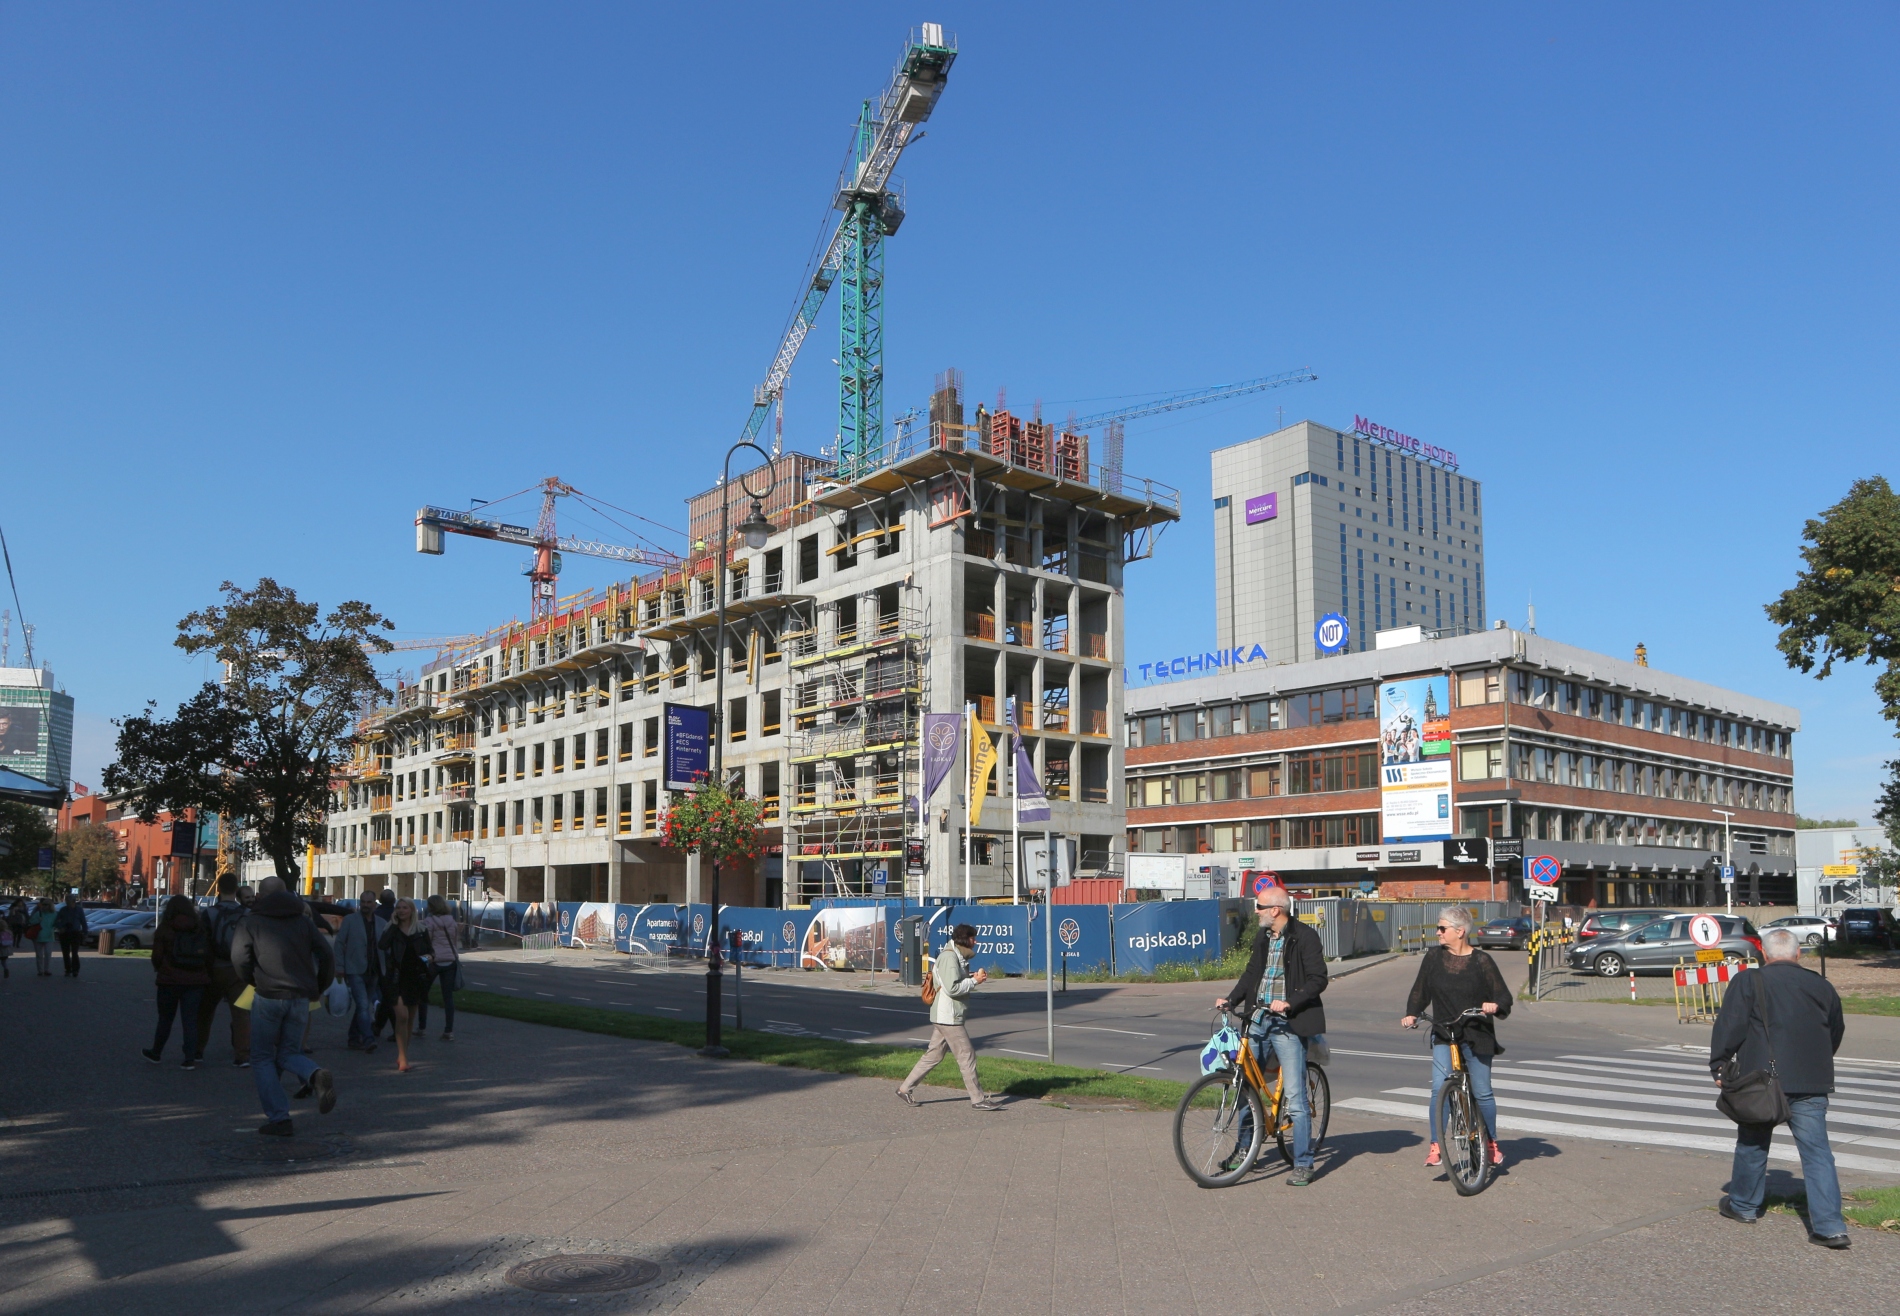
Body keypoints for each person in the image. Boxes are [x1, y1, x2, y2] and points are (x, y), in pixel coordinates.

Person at [1712, 925, 1850, 1248]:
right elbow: (1836, 1030)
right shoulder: (1822, 985)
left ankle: (1744, 1206)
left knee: (1752, 1143)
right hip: (1811, 1081)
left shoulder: (1749, 980)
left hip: (1760, 1081)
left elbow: (1730, 1025)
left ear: (1763, 953)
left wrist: (1719, 1064)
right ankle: (1830, 1228)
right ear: (1798, 953)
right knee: (1817, 1153)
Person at [1217, 886, 1330, 1185]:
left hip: (1287, 1024)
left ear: (1275, 910)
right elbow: (1252, 973)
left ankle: (1303, 1162)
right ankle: (1245, 1151)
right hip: (1257, 1020)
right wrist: (1231, 999)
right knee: (1246, 1087)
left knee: (1295, 1097)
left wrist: (1290, 1001)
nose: (1255, 911)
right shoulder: (1263, 937)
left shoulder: (1305, 937)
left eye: (1259, 907)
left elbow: (1319, 979)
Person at [1401, 905, 1512, 1170]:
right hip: (1444, 1032)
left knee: (1482, 1092)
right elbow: (1420, 990)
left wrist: (1494, 1005)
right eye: (1438, 928)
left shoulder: (1482, 961)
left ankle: (1491, 1143)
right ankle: (1436, 1145)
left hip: (1477, 1034)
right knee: (1438, 1088)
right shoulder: (1433, 957)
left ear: (1460, 931)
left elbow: (1503, 996)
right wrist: (1412, 1013)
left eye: (1442, 928)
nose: (1438, 933)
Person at [230, 876, 337, 1136]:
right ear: (287, 893)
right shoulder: (303, 920)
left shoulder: (251, 921)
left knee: (262, 1057)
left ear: (259, 895)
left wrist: (253, 979)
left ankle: (279, 1118)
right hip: (300, 995)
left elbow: (239, 957)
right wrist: (318, 986)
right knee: (289, 1053)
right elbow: (326, 954)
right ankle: (314, 1073)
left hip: (268, 994)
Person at [897, 923, 1001, 1111]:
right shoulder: (949, 957)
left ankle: (904, 1089)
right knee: (967, 1055)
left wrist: (971, 977)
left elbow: (952, 981)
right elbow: (952, 988)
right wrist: (974, 981)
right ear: (964, 940)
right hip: (948, 1016)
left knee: (934, 1055)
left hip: (946, 1015)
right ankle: (978, 1099)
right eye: (972, 938)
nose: (975, 941)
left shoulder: (955, 956)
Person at [144, 895, 210, 1068]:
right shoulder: (198, 927)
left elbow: (157, 956)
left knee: (165, 1019)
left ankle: (156, 1052)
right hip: (195, 979)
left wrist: (159, 968)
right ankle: (190, 1058)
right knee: (190, 1020)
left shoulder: (166, 928)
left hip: (169, 979)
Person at [194, 875, 253, 1067]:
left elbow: (202, 941)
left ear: (218, 888)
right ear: (236, 889)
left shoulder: (209, 913)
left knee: (205, 1012)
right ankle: (242, 1054)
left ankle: (197, 1050)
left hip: (214, 968)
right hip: (239, 969)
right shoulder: (247, 913)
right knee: (241, 1014)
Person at [378, 898, 434, 1073]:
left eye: (405, 908)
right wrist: (393, 925)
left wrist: (429, 957)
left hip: (415, 978)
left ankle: (403, 1054)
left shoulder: (421, 930)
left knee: (409, 1019)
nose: (401, 911)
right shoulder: (391, 929)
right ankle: (402, 1057)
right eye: (398, 908)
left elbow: (430, 951)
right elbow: (382, 945)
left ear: (411, 910)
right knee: (401, 1016)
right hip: (395, 978)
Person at [332, 892, 386, 1052]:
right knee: (363, 1005)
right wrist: (339, 966)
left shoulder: (382, 923)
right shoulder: (350, 920)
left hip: (374, 970)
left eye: (369, 902)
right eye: (363, 902)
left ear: (375, 904)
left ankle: (353, 1038)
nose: (366, 905)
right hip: (354, 969)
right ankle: (368, 1039)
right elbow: (339, 943)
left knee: (363, 1006)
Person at [420, 894, 461, 1040]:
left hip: (434, 960)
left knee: (423, 994)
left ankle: (422, 1027)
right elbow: (455, 940)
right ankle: (448, 1031)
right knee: (448, 997)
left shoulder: (429, 922)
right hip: (450, 960)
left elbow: (428, 942)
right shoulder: (451, 921)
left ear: (431, 907)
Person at [54, 893, 87, 976]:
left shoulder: (79, 910)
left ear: (73, 901)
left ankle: (75, 969)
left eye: (69, 901)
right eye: (66, 901)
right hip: (65, 933)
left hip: (75, 933)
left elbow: (83, 921)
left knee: (74, 952)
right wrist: (61, 927)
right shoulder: (63, 910)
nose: (67, 902)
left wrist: (85, 932)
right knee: (65, 952)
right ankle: (68, 969)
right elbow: (56, 921)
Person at [29, 898, 57, 977]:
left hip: (49, 936)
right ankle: (40, 970)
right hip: (38, 936)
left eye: (46, 905)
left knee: (48, 953)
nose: (44, 906)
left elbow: (56, 923)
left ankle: (46, 969)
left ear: (50, 906)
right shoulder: (39, 913)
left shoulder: (54, 914)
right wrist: (38, 920)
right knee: (39, 954)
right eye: (43, 904)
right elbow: (31, 921)